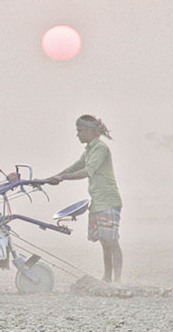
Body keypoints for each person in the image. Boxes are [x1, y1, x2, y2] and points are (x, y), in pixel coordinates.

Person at [46, 115, 123, 283]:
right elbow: (76, 166)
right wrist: (57, 176)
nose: (78, 135)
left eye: (80, 131)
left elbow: (88, 171)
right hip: (97, 201)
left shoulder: (101, 149)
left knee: (111, 241)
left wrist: (63, 177)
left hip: (108, 200)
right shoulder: (89, 149)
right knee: (104, 242)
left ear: (90, 131)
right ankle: (107, 277)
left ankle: (117, 280)